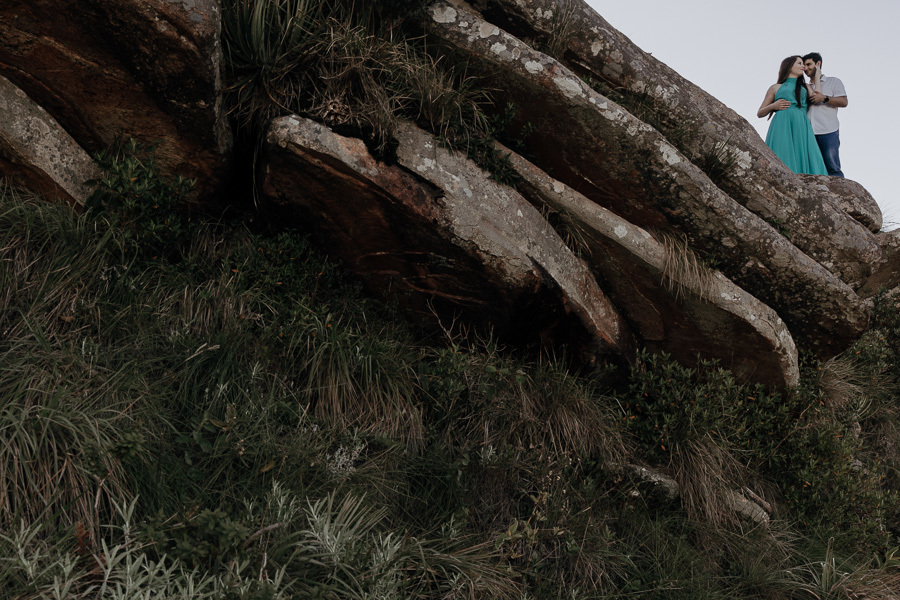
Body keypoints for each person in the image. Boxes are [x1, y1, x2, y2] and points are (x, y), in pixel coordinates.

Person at [757, 55, 827, 175]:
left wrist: (817, 76)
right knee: (782, 151)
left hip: (801, 123)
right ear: (789, 66)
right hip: (781, 124)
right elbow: (760, 113)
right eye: (799, 63)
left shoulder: (805, 87)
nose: (803, 66)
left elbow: (817, 98)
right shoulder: (775, 87)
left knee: (807, 153)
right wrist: (773, 106)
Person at [803, 52, 848, 177]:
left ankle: (839, 190)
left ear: (818, 64)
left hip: (828, 130)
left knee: (832, 167)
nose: (806, 68)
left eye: (809, 64)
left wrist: (825, 98)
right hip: (808, 131)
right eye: (804, 66)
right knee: (810, 167)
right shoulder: (804, 87)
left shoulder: (833, 82)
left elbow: (844, 102)